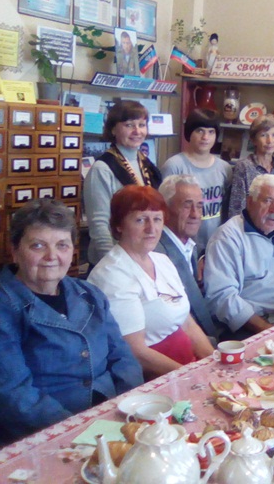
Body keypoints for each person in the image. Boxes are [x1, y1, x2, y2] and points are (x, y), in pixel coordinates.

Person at [0, 200, 142, 457]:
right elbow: (16, 401)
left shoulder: (90, 294)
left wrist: (129, 410)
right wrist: (83, 434)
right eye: (38, 245)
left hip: (110, 423)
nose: (52, 256)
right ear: (14, 251)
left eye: (62, 245)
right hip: (36, 442)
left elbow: (123, 358)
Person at [88, 186, 213, 379]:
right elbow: (136, 352)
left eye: (157, 219)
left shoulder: (162, 261)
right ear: (119, 225)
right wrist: (192, 377)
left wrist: (213, 364)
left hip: (187, 367)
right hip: (152, 378)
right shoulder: (111, 275)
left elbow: (187, 323)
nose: (151, 229)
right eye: (140, 220)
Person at [205, 174, 274, 338]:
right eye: (267, 201)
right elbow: (222, 298)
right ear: (250, 201)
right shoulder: (228, 237)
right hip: (249, 327)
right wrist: (268, 331)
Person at [84, 100, 162, 267]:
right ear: (113, 129)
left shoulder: (147, 165)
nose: (137, 131)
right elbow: (99, 226)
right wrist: (114, 264)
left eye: (142, 125)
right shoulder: (102, 169)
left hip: (142, 258)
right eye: (129, 125)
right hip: (114, 262)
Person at [156, 175, 218, 340]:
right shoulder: (158, 253)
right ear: (165, 210)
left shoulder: (190, 245)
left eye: (199, 206)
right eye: (187, 205)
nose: (195, 214)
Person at [161, 108, 233, 251]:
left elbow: (227, 208)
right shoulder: (174, 166)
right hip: (182, 242)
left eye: (211, 132)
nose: (205, 137)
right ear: (189, 133)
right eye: (200, 131)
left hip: (216, 243)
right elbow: (164, 207)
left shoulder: (224, 168)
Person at [227, 114, 274, 218]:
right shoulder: (244, 166)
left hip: (271, 222)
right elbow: (236, 206)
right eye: (263, 135)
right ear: (254, 140)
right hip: (247, 224)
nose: (270, 141)